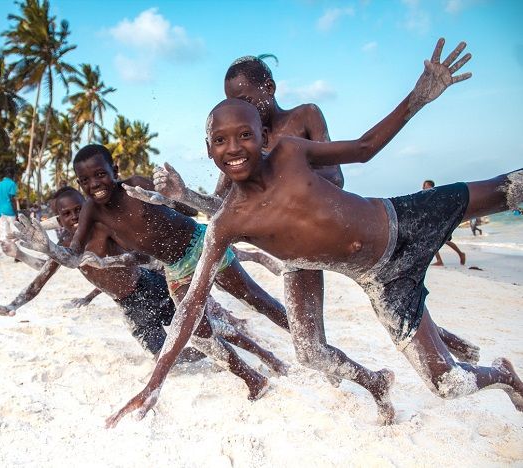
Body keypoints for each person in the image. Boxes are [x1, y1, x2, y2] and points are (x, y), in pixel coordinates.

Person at [102, 39, 523, 427]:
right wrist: (152, 384)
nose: (233, 148)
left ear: (263, 136)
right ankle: (501, 373)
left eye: (245, 134)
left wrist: (419, 95)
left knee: (508, 189)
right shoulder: (228, 219)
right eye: (220, 140)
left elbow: (362, 149)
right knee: (447, 383)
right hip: (378, 279)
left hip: (402, 221)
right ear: (208, 148)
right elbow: (191, 306)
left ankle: (449, 340)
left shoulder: (291, 147)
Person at [129, 52, 478, 375]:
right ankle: (376, 381)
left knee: (388, 290)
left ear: (270, 87)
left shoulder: (302, 119)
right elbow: (223, 210)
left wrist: (287, 182)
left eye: (246, 99)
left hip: (336, 227)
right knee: (309, 351)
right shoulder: (243, 149)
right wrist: (179, 197)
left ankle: (448, 340)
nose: (239, 108)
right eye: (232, 102)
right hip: (296, 253)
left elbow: (339, 172)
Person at [0, 187, 288, 374]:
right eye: (66, 214)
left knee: (200, 325)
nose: (74, 216)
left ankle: (255, 347)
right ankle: (219, 351)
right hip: (131, 306)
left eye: (79, 209)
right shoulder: (65, 246)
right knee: (170, 356)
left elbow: (139, 256)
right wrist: (12, 304)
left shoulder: (104, 229)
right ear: (59, 219)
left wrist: (113, 262)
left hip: (150, 286)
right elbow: (42, 275)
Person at [423, 179, 466, 265]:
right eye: (424, 187)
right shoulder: (427, 197)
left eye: (425, 186)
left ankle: (460, 254)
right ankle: (440, 260)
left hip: (441, 223)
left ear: (431, 186)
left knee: (446, 241)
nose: (424, 188)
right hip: (434, 223)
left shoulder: (436, 195)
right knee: (432, 242)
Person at [0, 167, 18, 264]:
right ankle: (17, 255)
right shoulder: (12, 184)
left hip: (1, 213)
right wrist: (16, 213)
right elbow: (12, 199)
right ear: (12, 175)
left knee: (4, 234)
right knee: (15, 233)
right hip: (10, 212)